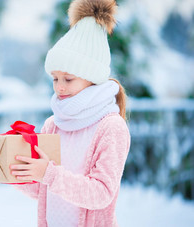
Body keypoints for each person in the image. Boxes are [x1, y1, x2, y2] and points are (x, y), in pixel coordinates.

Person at [9, 0, 131, 226]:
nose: (59, 87)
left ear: (92, 78)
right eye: (55, 78)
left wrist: (50, 174)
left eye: (68, 79)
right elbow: (45, 189)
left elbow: (101, 193)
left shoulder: (110, 127)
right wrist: (16, 173)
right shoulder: (53, 125)